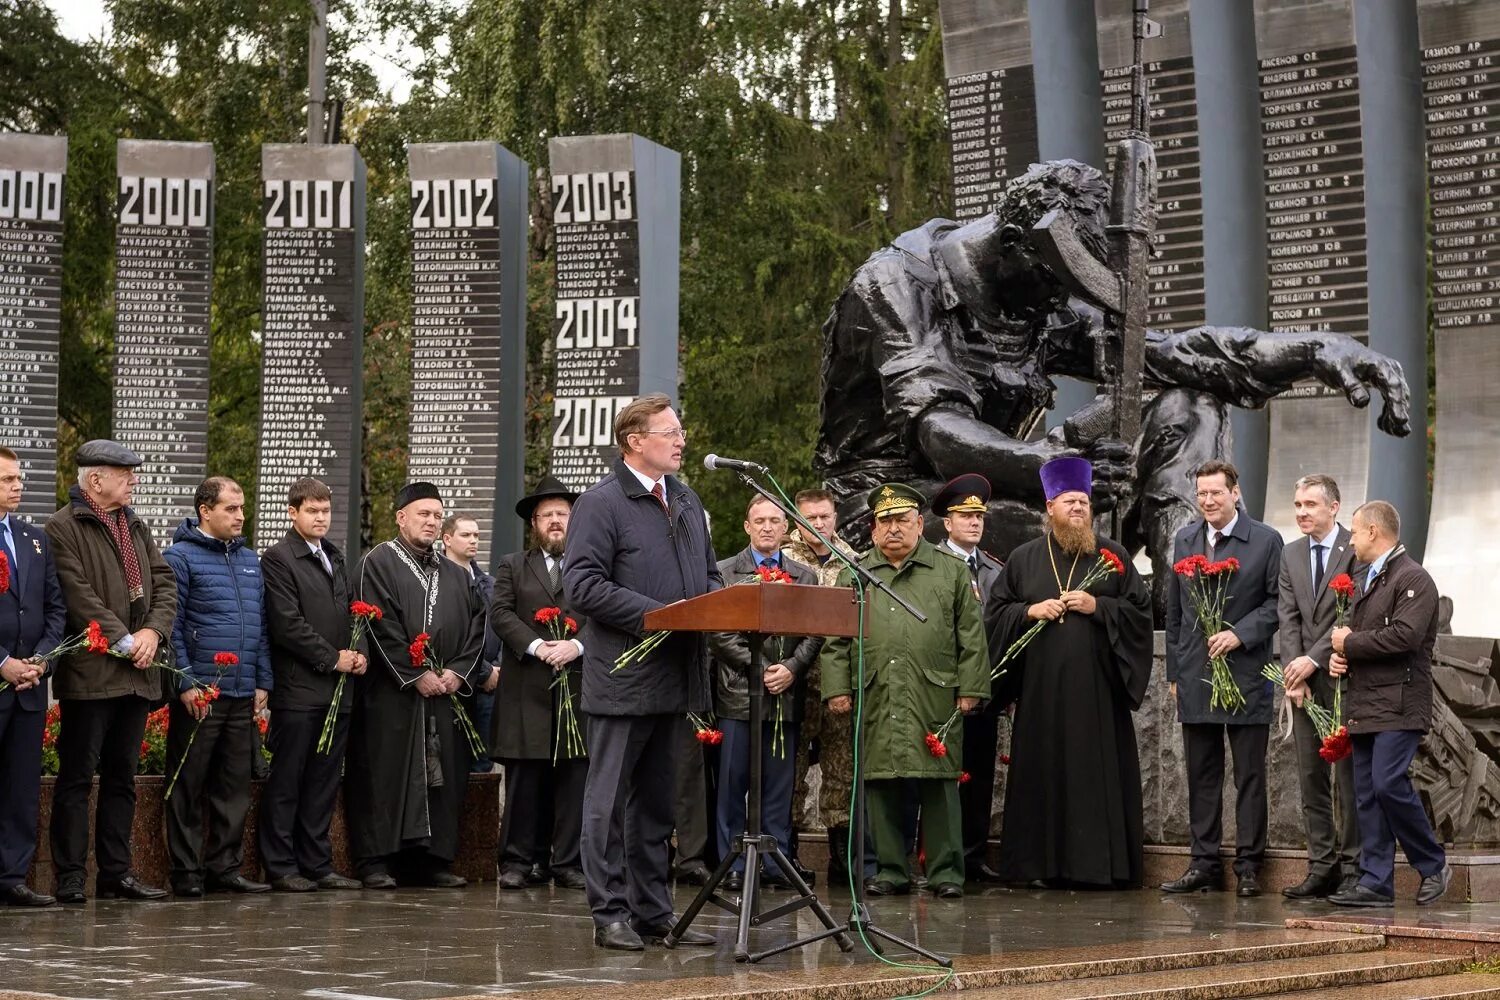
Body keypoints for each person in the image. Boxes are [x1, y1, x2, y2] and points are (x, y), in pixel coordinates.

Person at [815, 159, 1410, 601]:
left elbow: (1176, 354)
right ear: (1017, 246)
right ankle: (1129, 590)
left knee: (1192, 404)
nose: (1065, 304)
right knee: (1032, 539)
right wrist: (1059, 472)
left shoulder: (1036, 294)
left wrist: (1313, 349)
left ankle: (1188, 592)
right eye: (1061, 284)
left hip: (1034, 489)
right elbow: (939, 434)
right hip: (905, 502)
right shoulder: (895, 286)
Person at [563, 393, 723, 951]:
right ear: (636, 440)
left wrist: (727, 606)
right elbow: (579, 584)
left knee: (657, 807)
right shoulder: (602, 503)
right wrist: (654, 617)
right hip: (623, 677)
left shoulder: (684, 499)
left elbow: (706, 578)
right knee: (607, 804)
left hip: (675, 679)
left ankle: (653, 915)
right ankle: (608, 914)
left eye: (681, 431)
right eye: (670, 432)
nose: (681, 441)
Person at [987, 457, 1153, 887]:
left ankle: (1097, 869)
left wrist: (1101, 607)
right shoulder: (1023, 559)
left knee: (1094, 780)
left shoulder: (1112, 556)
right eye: (1068, 501)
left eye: (1083, 501)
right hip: (1042, 696)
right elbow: (995, 614)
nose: (1078, 508)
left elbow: (1140, 612)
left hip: (1098, 698)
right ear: (1050, 508)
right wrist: (1029, 611)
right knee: (1042, 778)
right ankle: (1038, 869)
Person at [820, 483, 988, 898]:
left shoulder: (949, 570)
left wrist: (971, 688)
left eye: (902, 520)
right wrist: (837, 688)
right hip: (877, 693)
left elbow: (971, 635)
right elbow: (835, 640)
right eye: (885, 522)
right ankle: (892, 870)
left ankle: (946, 873)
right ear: (874, 531)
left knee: (939, 783)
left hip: (934, 693)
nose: (894, 529)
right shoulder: (855, 573)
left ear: (919, 525)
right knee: (882, 783)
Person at [45, 440, 177, 903]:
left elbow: (163, 582)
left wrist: (153, 635)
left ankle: (116, 874)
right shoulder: (62, 526)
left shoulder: (133, 523)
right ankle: (71, 876)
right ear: (95, 480)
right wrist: (124, 639)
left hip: (139, 671)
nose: (134, 480)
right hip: (92, 673)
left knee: (122, 777)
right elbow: (77, 594)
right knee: (78, 777)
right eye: (125, 474)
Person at [348, 482, 486, 889]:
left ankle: (430, 860)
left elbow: (478, 626)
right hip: (393, 695)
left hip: (444, 694)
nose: (431, 521)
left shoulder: (457, 574)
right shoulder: (378, 563)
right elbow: (377, 623)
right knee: (385, 773)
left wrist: (457, 672)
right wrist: (415, 674)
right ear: (401, 517)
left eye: (437, 515)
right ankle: (375, 860)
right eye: (423, 513)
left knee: (442, 774)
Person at [1162, 460, 1283, 897]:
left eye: (1216, 492)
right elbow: (1175, 611)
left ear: (1235, 493)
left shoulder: (1267, 541)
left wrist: (1238, 634)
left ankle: (1249, 866)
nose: (1208, 501)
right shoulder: (1185, 539)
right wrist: (1175, 671)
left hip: (1247, 671)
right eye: (1202, 494)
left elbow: (1275, 606)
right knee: (1201, 773)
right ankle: (1203, 863)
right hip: (1196, 672)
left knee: (1249, 775)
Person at [1327, 501, 1449, 907]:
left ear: (1374, 532)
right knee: (1367, 792)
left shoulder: (1413, 578)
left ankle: (1433, 864)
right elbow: (1365, 641)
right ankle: (1375, 881)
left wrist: (1350, 642)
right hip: (1367, 703)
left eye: (1355, 532)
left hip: (1400, 702)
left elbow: (1405, 637)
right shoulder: (1370, 578)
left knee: (1387, 782)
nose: (1351, 540)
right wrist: (1341, 657)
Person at [161, 477, 273, 896]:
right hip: (201, 694)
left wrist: (263, 680)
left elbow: (260, 627)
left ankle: (224, 868)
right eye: (231, 508)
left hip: (242, 692)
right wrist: (186, 683)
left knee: (233, 787)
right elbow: (170, 626)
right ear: (205, 510)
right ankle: (186, 872)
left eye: (242, 508)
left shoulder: (248, 560)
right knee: (188, 783)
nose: (240, 516)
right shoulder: (180, 558)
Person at [708, 494, 822, 892]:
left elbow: (815, 631)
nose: (768, 527)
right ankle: (733, 864)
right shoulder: (724, 572)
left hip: (785, 695)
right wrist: (759, 669)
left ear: (787, 528)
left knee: (778, 784)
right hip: (738, 694)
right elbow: (718, 633)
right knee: (732, 784)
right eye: (760, 521)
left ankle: (776, 862)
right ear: (747, 526)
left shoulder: (805, 576)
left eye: (775, 520)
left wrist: (791, 668)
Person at [259, 476, 366, 893]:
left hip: (337, 691)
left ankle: (317, 863)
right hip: (299, 690)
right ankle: (282, 865)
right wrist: (331, 658)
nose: (321, 518)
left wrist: (356, 653)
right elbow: (287, 624)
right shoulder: (279, 558)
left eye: (326, 511)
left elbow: (352, 615)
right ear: (293, 512)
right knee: (288, 780)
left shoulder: (335, 557)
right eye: (312, 511)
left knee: (323, 781)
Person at [485, 476, 589, 891]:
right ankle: (517, 861)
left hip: (577, 688)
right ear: (534, 523)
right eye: (546, 515)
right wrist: (537, 646)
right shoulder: (513, 565)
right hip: (527, 686)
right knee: (525, 781)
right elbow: (501, 613)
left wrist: (576, 647)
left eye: (562, 514)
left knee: (572, 782)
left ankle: (567, 862)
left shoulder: (590, 566)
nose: (555, 521)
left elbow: (602, 615)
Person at [1276, 474, 1360, 900]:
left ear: (1334, 506)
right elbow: (1288, 616)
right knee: (1311, 776)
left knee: (1348, 780)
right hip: (1304, 685)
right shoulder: (1290, 554)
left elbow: (1354, 613)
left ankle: (1354, 868)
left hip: (1345, 679)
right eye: (1297, 504)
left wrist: (1313, 659)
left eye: (1310, 504)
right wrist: (1295, 675)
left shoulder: (1356, 550)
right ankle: (1321, 866)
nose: (1302, 512)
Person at [783, 488, 864, 883]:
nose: (818, 524)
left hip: (837, 686)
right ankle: (789, 855)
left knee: (840, 770)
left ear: (836, 518)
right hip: (792, 681)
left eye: (825, 517)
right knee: (792, 769)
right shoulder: (781, 560)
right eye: (810, 518)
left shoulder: (856, 563)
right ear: (797, 520)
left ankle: (841, 860)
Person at [931, 473, 1006, 883]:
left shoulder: (994, 568)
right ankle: (936, 858)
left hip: (982, 688)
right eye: (965, 516)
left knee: (977, 774)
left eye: (978, 515)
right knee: (939, 777)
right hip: (939, 687)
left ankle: (973, 855)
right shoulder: (933, 565)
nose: (974, 522)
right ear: (948, 522)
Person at [0, 447, 67, 906]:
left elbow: (55, 609)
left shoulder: (33, 538)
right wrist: (0, 661)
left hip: (29, 685)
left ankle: (11, 877)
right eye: (7, 479)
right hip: (1, 672)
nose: (17, 485)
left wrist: (42, 660)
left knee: (21, 787)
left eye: (18, 478)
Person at [440, 512, 502, 774]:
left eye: (477, 535)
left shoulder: (491, 585)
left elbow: (503, 629)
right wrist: (484, 670)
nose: (473, 540)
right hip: (451, 683)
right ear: (447, 539)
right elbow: (444, 634)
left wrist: (497, 669)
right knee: (448, 761)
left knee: (483, 763)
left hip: (489, 690)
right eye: (466, 535)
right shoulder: (433, 581)